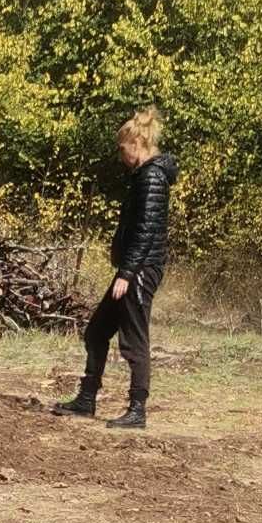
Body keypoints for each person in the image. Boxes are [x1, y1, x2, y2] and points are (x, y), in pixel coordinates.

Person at [59, 109, 177, 432]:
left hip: (140, 269)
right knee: (97, 331)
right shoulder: (144, 176)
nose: (121, 154)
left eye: (123, 148)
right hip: (133, 267)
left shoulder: (152, 177)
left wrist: (127, 273)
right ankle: (86, 399)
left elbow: (146, 229)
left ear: (137, 142)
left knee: (134, 340)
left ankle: (137, 410)